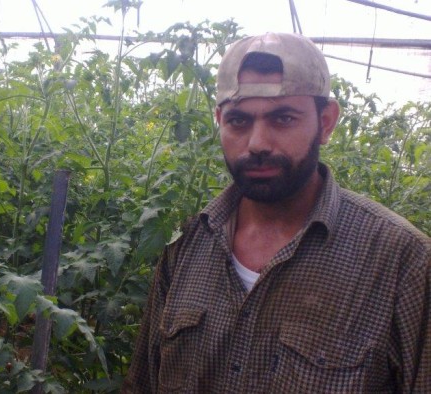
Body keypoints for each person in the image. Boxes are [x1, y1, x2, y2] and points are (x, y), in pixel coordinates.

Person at [122, 32, 430, 393]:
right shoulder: (187, 245)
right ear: (220, 120)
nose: (257, 144)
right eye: (239, 121)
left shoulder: (402, 261)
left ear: (326, 121)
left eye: (283, 119)